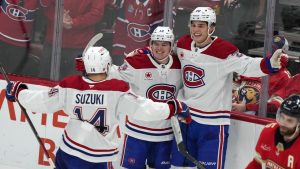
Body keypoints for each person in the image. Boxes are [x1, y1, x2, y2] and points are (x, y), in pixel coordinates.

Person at [5, 42, 191, 168]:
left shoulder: (70, 85)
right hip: (98, 159)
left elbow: (41, 101)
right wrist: (173, 107)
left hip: (68, 152)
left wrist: (18, 92)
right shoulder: (117, 90)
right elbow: (145, 109)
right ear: (108, 65)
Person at [171, 7, 284, 169]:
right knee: (179, 166)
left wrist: (268, 64)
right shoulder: (182, 44)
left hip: (212, 123)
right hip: (185, 117)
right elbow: (165, 54)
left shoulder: (223, 51)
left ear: (211, 28)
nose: (196, 29)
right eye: (193, 25)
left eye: (201, 25)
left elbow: (246, 65)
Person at [111, 26, 182, 169]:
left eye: (164, 44)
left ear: (171, 46)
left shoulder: (180, 65)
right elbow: (113, 74)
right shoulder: (137, 63)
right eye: (156, 43)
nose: (159, 48)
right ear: (150, 45)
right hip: (136, 133)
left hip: (165, 135)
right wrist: (92, 66)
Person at [39, 0, 106, 79]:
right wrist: (59, 17)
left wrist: (72, 22)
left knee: (74, 86)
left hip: (79, 46)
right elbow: (44, 5)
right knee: (46, 85)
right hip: (55, 44)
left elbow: (97, 13)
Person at [232, 35, 291, 115]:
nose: (271, 52)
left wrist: (246, 107)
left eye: (274, 49)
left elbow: (276, 105)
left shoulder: (283, 76)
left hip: (256, 118)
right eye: (269, 48)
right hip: (232, 109)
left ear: (283, 53)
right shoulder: (256, 64)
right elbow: (234, 85)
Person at [246, 95, 300, 169]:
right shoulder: (268, 132)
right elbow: (256, 165)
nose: (283, 123)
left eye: (289, 120)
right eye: (282, 117)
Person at [111, 0, 168, 65]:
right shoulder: (126, 3)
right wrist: (118, 55)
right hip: (129, 58)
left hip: (150, 60)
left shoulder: (158, 4)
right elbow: (120, 31)